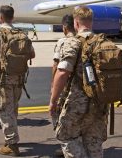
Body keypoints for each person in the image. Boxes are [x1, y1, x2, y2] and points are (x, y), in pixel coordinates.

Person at [50, 6, 108, 158]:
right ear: (91, 22)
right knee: (93, 140)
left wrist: (53, 101)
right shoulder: (103, 43)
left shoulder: (73, 42)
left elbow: (62, 72)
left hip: (77, 102)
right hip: (100, 102)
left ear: (76, 23)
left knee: (65, 135)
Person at [0, 5, 35, 156]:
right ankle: (10, 140)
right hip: (19, 79)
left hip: (3, 79)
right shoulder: (22, 34)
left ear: (0, 17)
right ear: (12, 17)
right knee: (12, 109)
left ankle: (12, 145)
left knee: (3, 111)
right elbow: (31, 55)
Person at [50, 14, 75, 158]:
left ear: (65, 28)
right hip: (87, 89)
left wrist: (53, 88)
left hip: (66, 88)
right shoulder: (85, 41)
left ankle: (67, 148)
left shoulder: (63, 42)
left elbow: (57, 67)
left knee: (59, 117)